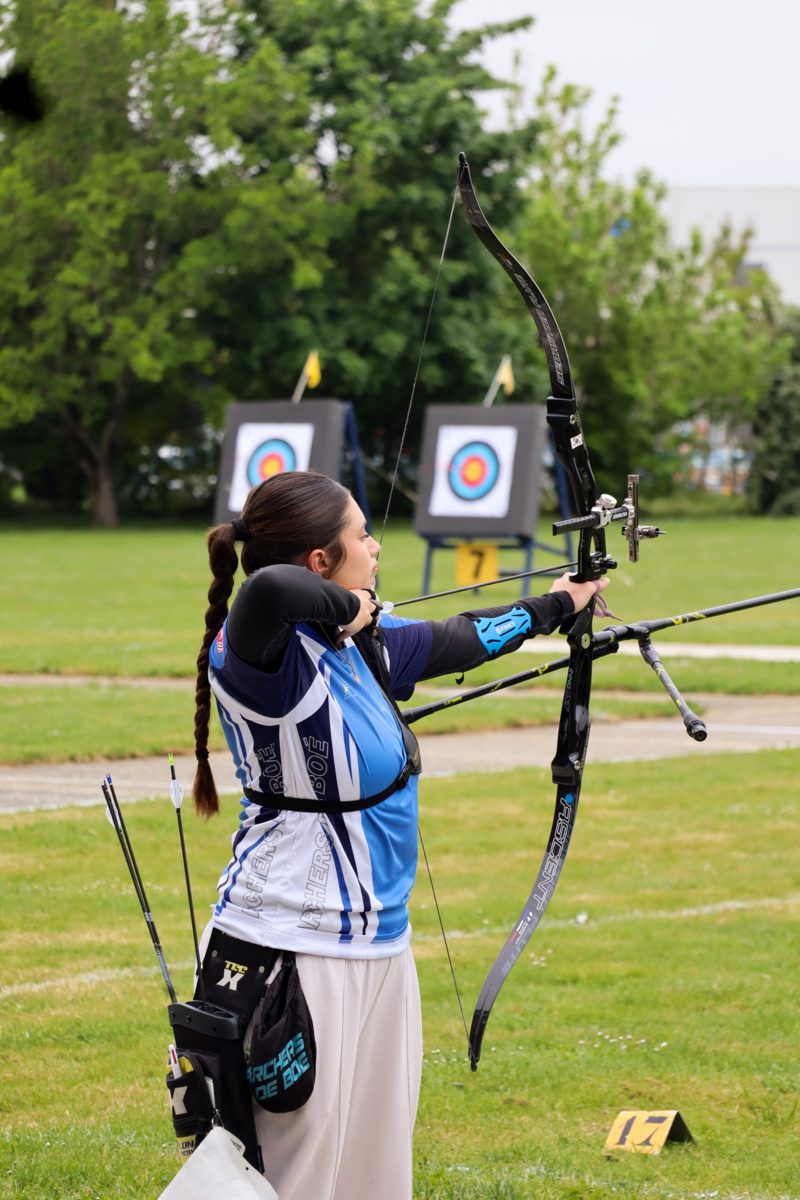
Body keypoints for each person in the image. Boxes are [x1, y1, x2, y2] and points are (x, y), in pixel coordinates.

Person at [191, 470, 608, 1200]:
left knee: (375, 1172)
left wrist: (558, 604)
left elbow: (460, 638)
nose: (376, 546)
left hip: (380, 942)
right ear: (320, 561)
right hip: (289, 946)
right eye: (362, 535)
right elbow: (270, 590)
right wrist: (352, 607)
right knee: (291, 1174)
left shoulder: (359, 648)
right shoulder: (262, 659)